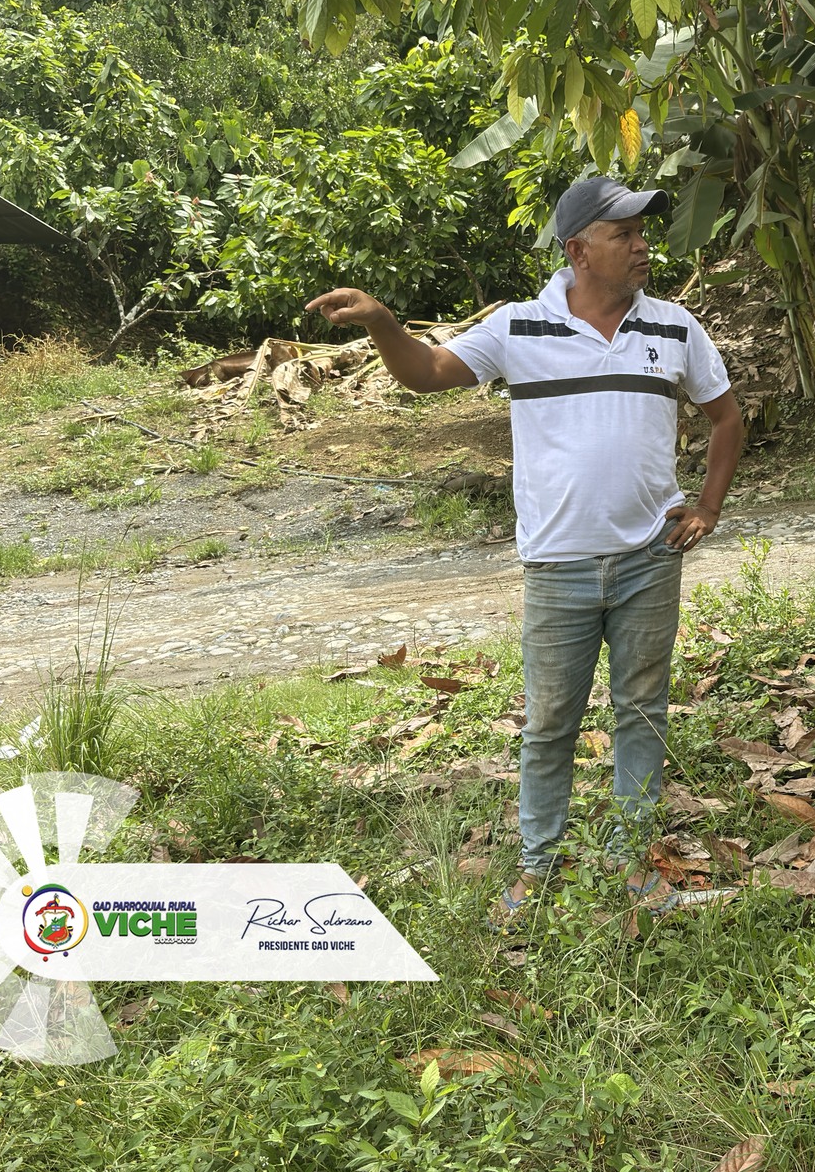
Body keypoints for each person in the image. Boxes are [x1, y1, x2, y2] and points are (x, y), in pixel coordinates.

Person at [307, 176, 744, 920]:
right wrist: (383, 323)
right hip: (558, 568)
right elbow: (426, 373)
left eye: (642, 232)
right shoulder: (519, 328)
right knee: (549, 725)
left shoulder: (674, 328)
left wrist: (707, 506)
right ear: (578, 250)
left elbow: (727, 417)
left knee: (642, 712)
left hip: (649, 559)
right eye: (624, 234)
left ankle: (631, 866)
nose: (642, 246)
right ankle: (537, 870)